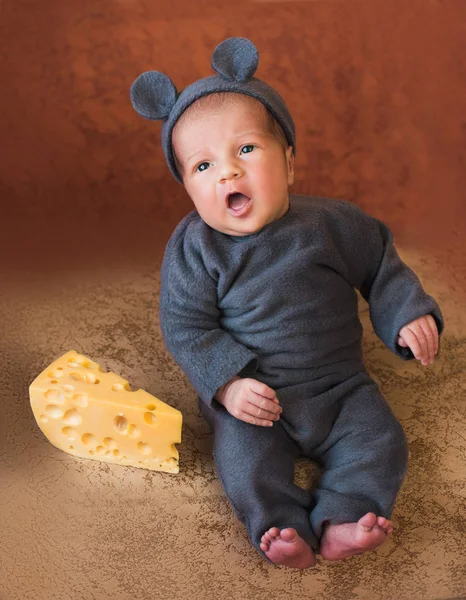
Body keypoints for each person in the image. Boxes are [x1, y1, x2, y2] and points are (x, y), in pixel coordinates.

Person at [130, 37, 443, 569]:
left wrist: (407, 311)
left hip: (340, 386)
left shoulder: (331, 224)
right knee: (243, 462)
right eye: (202, 167)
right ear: (186, 187)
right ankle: (279, 525)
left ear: (290, 161)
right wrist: (227, 384)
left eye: (246, 150)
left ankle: (346, 514)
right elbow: (186, 326)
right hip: (256, 399)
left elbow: (381, 265)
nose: (227, 172)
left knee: (381, 440)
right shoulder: (193, 249)